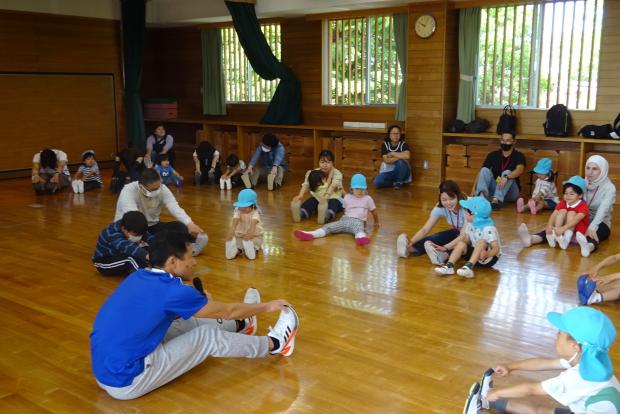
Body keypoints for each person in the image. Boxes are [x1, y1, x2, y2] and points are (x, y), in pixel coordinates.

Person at [90, 231, 299, 400]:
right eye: (191, 256)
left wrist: (198, 304)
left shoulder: (139, 276)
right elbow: (227, 311)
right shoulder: (174, 292)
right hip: (128, 379)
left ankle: (242, 324)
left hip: (105, 370)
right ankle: (276, 343)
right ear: (172, 262)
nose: (194, 262)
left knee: (184, 322)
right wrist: (267, 306)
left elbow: (156, 314)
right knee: (207, 337)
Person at [463, 307, 620, 414]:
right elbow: (543, 363)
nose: (555, 336)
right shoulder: (589, 360)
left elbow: (532, 389)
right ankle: (486, 402)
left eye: (559, 333)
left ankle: (489, 399)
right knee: (540, 411)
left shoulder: (579, 377)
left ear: (574, 346)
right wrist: (510, 366)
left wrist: (497, 392)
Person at [518, 156, 616, 257]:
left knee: (593, 233)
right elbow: (570, 204)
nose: (590, 172)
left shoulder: (609, 188)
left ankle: (588, 247)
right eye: (588, 168)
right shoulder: (582, 183)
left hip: (599, 221)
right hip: (578, 216)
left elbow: (602, 211)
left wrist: (592, 227)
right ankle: (532, 239)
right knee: (556, 227)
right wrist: (553, 224)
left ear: (603, 170)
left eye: (595, 169)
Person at [114, 169, 208, 256]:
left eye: (159, 186)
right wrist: (139, 237)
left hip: (152, 226)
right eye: (154, 189)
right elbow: (134, 219)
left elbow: (174, 206)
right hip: (131, 229)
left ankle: (188, 244)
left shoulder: (162, 188)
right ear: (141, 186)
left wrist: (189, 224)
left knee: (179, 226)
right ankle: (164, 247)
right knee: (143, 244)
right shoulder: (128, 191)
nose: (158, 190)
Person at [293, 173, 379, 246]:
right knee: (329, 227)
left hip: (358, 221)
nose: (360, 191)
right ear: (351, 189)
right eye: (357, 188)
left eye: (362, 189)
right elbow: (345, 210)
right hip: (345, 220)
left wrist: (376, 222)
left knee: (359, 230)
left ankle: (361, 238)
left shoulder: (368, 199)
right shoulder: (348, 197)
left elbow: (374, 212)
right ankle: (311, 234)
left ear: (366, 189)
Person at [518, 176, 591, 256]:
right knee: (562, 212)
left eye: (571, 194)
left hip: (577, 234)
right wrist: (549, 226)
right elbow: (554, 214)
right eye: (565, 193)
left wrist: (563, 228)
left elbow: (576, 220)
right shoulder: (563, 202)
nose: (568, 196)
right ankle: (530, 239)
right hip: (561, 231)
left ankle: (565, 240)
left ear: (580, 195)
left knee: (571, 213)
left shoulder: (583, 205)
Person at [397, 180, 466, 262]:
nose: (448, 203)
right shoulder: (440, 207)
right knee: (435, 237)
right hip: (458, 232)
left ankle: (444, 255)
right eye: (444, 200)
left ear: (458, 196)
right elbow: (425, 229)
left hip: (473, 236)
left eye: (452, 199)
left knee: (461, 243)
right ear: (440, 198)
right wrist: (411, 242)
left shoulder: (467, 207)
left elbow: (463, 236)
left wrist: (445, 248)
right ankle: (410, 248)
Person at [434, 196, 501, 278]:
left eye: (466, 211)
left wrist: (487, 254)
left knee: (481, 242)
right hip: (475, 254)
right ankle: (449, 266)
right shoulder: (470, 224)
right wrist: (458, 248)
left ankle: (469, 268)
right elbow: (467, 239)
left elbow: (496, 249)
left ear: (474, 214)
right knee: (461, 243)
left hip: (488, 259)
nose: (464, 213)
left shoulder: (488, 229)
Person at [472, 132, 526, 210]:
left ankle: (496, 200)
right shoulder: (493, 155)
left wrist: (507, 177)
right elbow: (481, 173)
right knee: (484, 170)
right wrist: (474, 188)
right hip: (496, 187)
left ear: (514, 142)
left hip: (511, 192)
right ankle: (481, 198)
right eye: (503, 140)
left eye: (508, 141)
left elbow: (520, 169)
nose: (505, 143)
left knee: (506, 172)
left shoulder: (518, 155)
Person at [291, 150, 344, 224]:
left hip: (333, 197)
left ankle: (327, 215)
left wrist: (325, 197)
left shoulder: (337, 174)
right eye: (322, 162)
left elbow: (332, 186)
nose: (325, 165)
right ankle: (301, 213)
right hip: (320, 199)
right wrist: (300, 195)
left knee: (334, 202)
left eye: (328, 162)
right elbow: (306, 184)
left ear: (332, 163)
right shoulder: (314, 173)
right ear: (319, 162)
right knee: (312, 200)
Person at [93, 211, 152, 276]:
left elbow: (147, 236)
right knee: (130, 259)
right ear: (124, 229)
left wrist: (158, 245)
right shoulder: (111, 233)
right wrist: (147, 255)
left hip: (120, 255)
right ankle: (148, 276)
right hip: (104, 263)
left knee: (147, 249)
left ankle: (138, 269)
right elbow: (128, 247)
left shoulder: (130, 226)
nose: (139, 237)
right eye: (136, 235)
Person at [225, 189, 264, 260]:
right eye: (240, 206)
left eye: (245, 207)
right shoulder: (238, 211)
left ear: (253, 205)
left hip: (255, 235)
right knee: (238, 245)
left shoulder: (255, 213)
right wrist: (231, 232)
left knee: (254, 244)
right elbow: (234, 223)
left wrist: (250, 234)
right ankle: (237, 250)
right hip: (240, 235)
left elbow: (252, 227)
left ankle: (253, 249)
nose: (242, 208)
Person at [373, 125, 411, 190]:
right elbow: (386, 160)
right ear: (389, 135)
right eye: (393, 133)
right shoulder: (385, 145)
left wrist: (392, 153)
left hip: (404, 172)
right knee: (377, 182)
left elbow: (407, 156)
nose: (396, 135)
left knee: (401, 163)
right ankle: (394, 183)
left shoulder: (404, 144)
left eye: (397, 133)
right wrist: (401, 156)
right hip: (390, 172)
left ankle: (399, 182)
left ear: (400, 134)